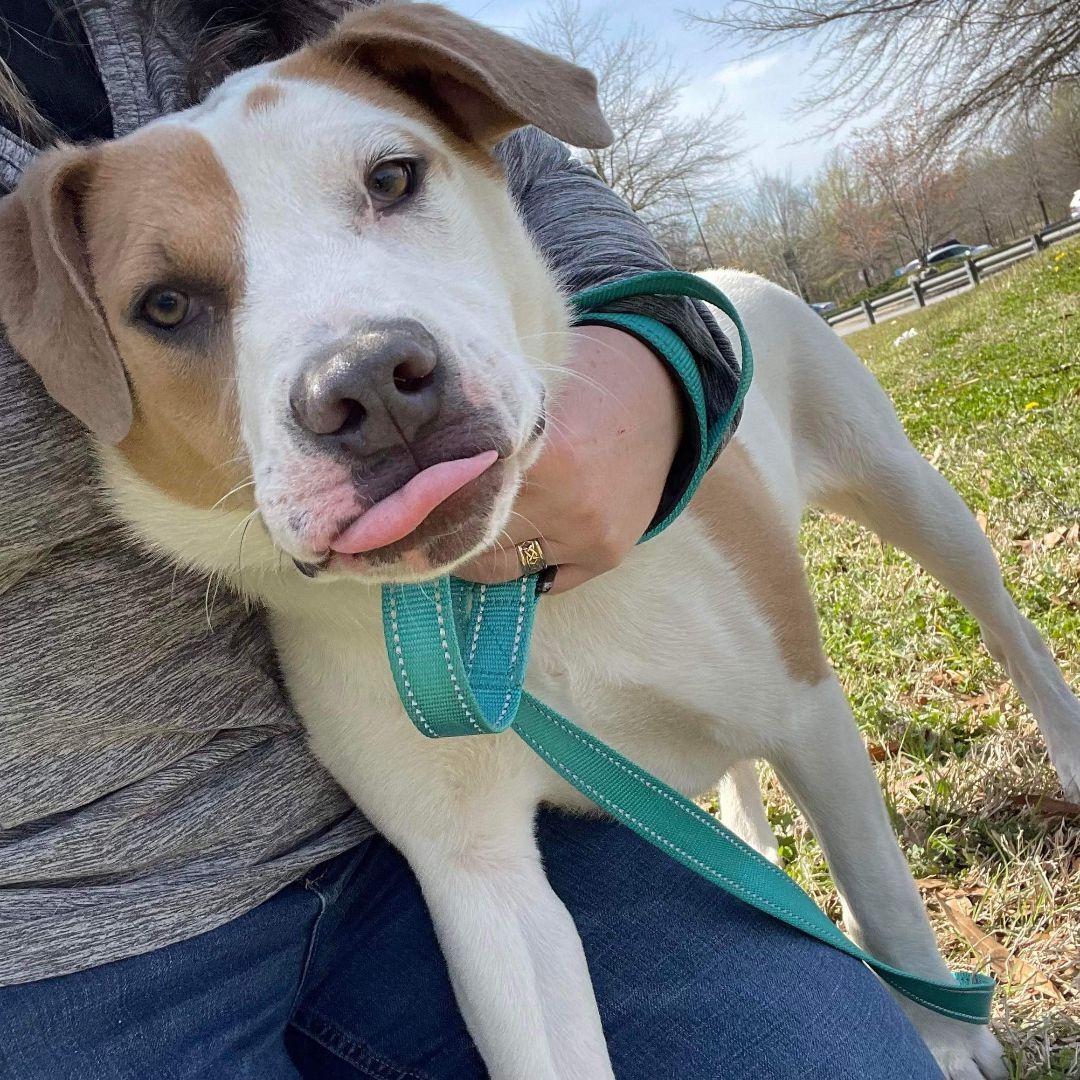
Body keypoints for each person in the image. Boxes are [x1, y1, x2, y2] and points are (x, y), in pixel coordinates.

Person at [0, 1, 943, 1076]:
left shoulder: (295, 30)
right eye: (173, 305)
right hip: (60, 936)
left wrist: (645, 354)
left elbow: (542, 175)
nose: (358, 377)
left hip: (410, 852)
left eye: (390, 183)